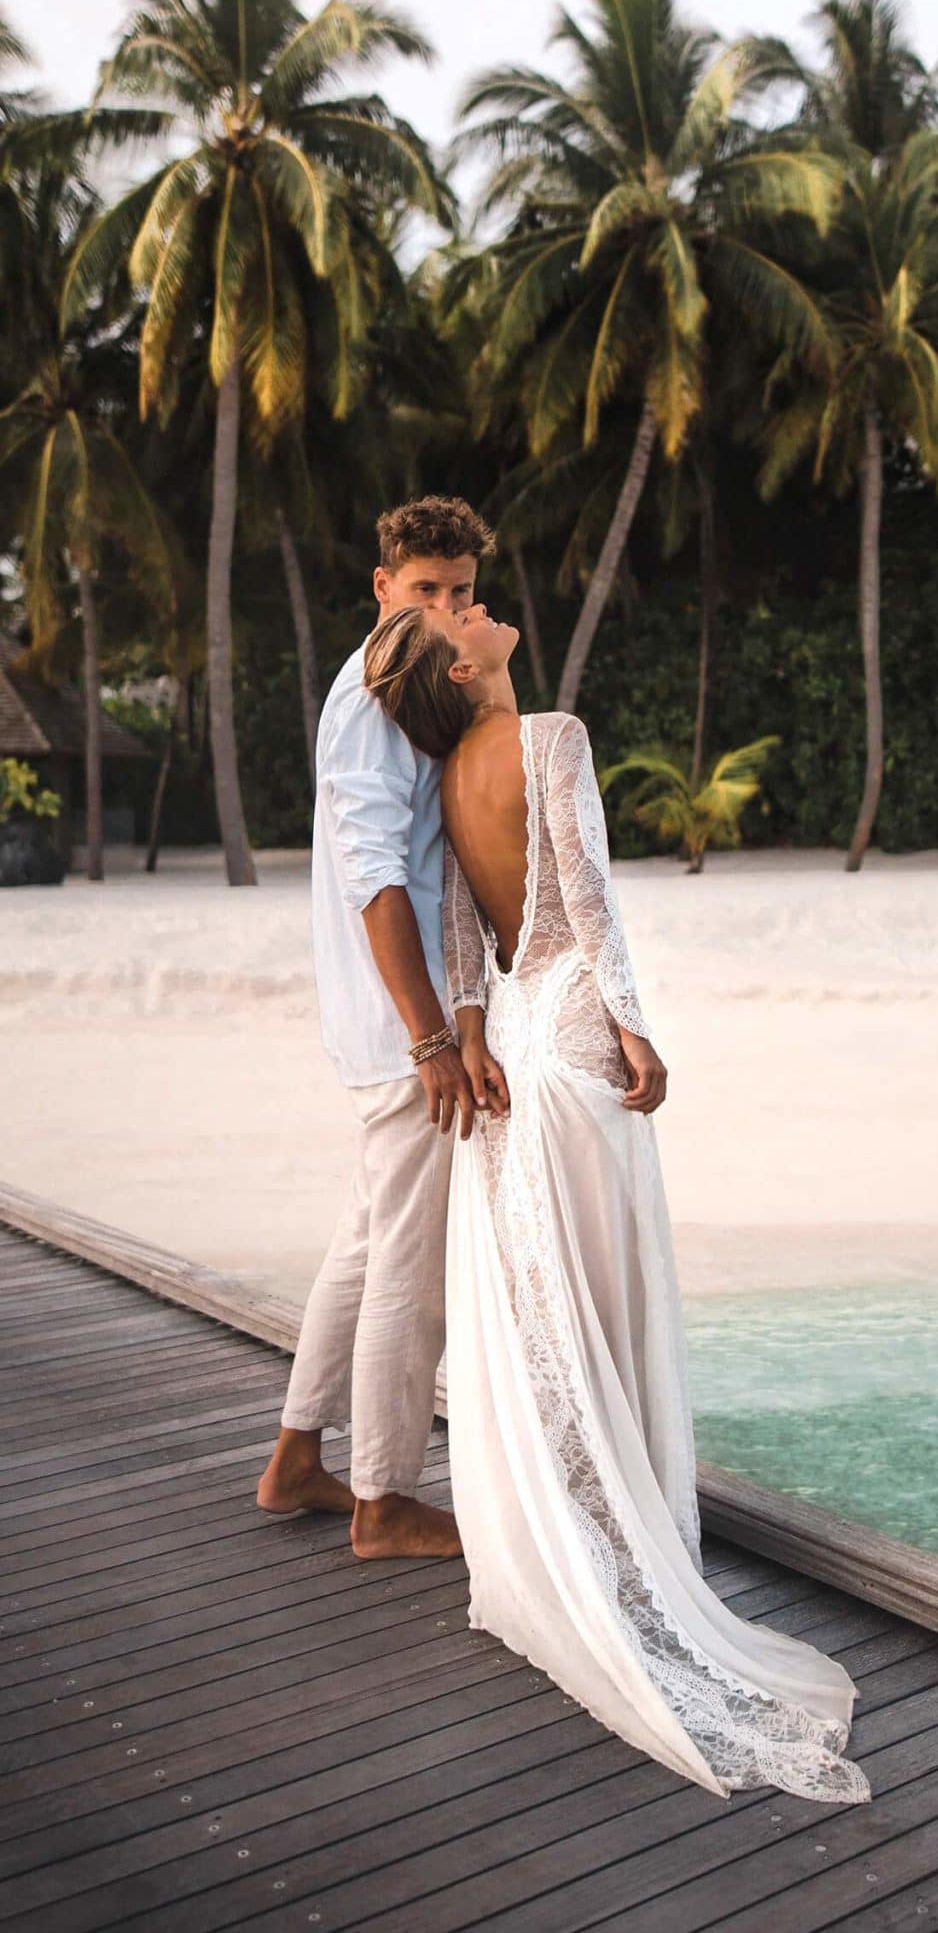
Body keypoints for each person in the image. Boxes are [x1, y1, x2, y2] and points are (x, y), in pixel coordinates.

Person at [363, 600, 871, 1803]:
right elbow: (588, 901)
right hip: (580, 1039)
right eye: (461, 614)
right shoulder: (552, 736)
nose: (477, 610)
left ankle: (577, 1541)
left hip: (512, 1057)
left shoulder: (443, 785)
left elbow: (458, 937)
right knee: (611, 1288)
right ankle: (636, 1549)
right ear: (462, 664)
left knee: (552, 1314)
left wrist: (472, 1035)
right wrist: (641, 1031)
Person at [255, 496, 497, 1560]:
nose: (445, 609)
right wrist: (434, 1037)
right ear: (383, 587)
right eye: (426, 588)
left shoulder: (413, 685)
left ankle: (296, 1457)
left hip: (390, 1021)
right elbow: (378, 876)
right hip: (405, 1028)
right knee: (411, 1262)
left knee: (364, 1240)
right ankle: (385, 1498)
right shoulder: (376, 697)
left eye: (461, 590)